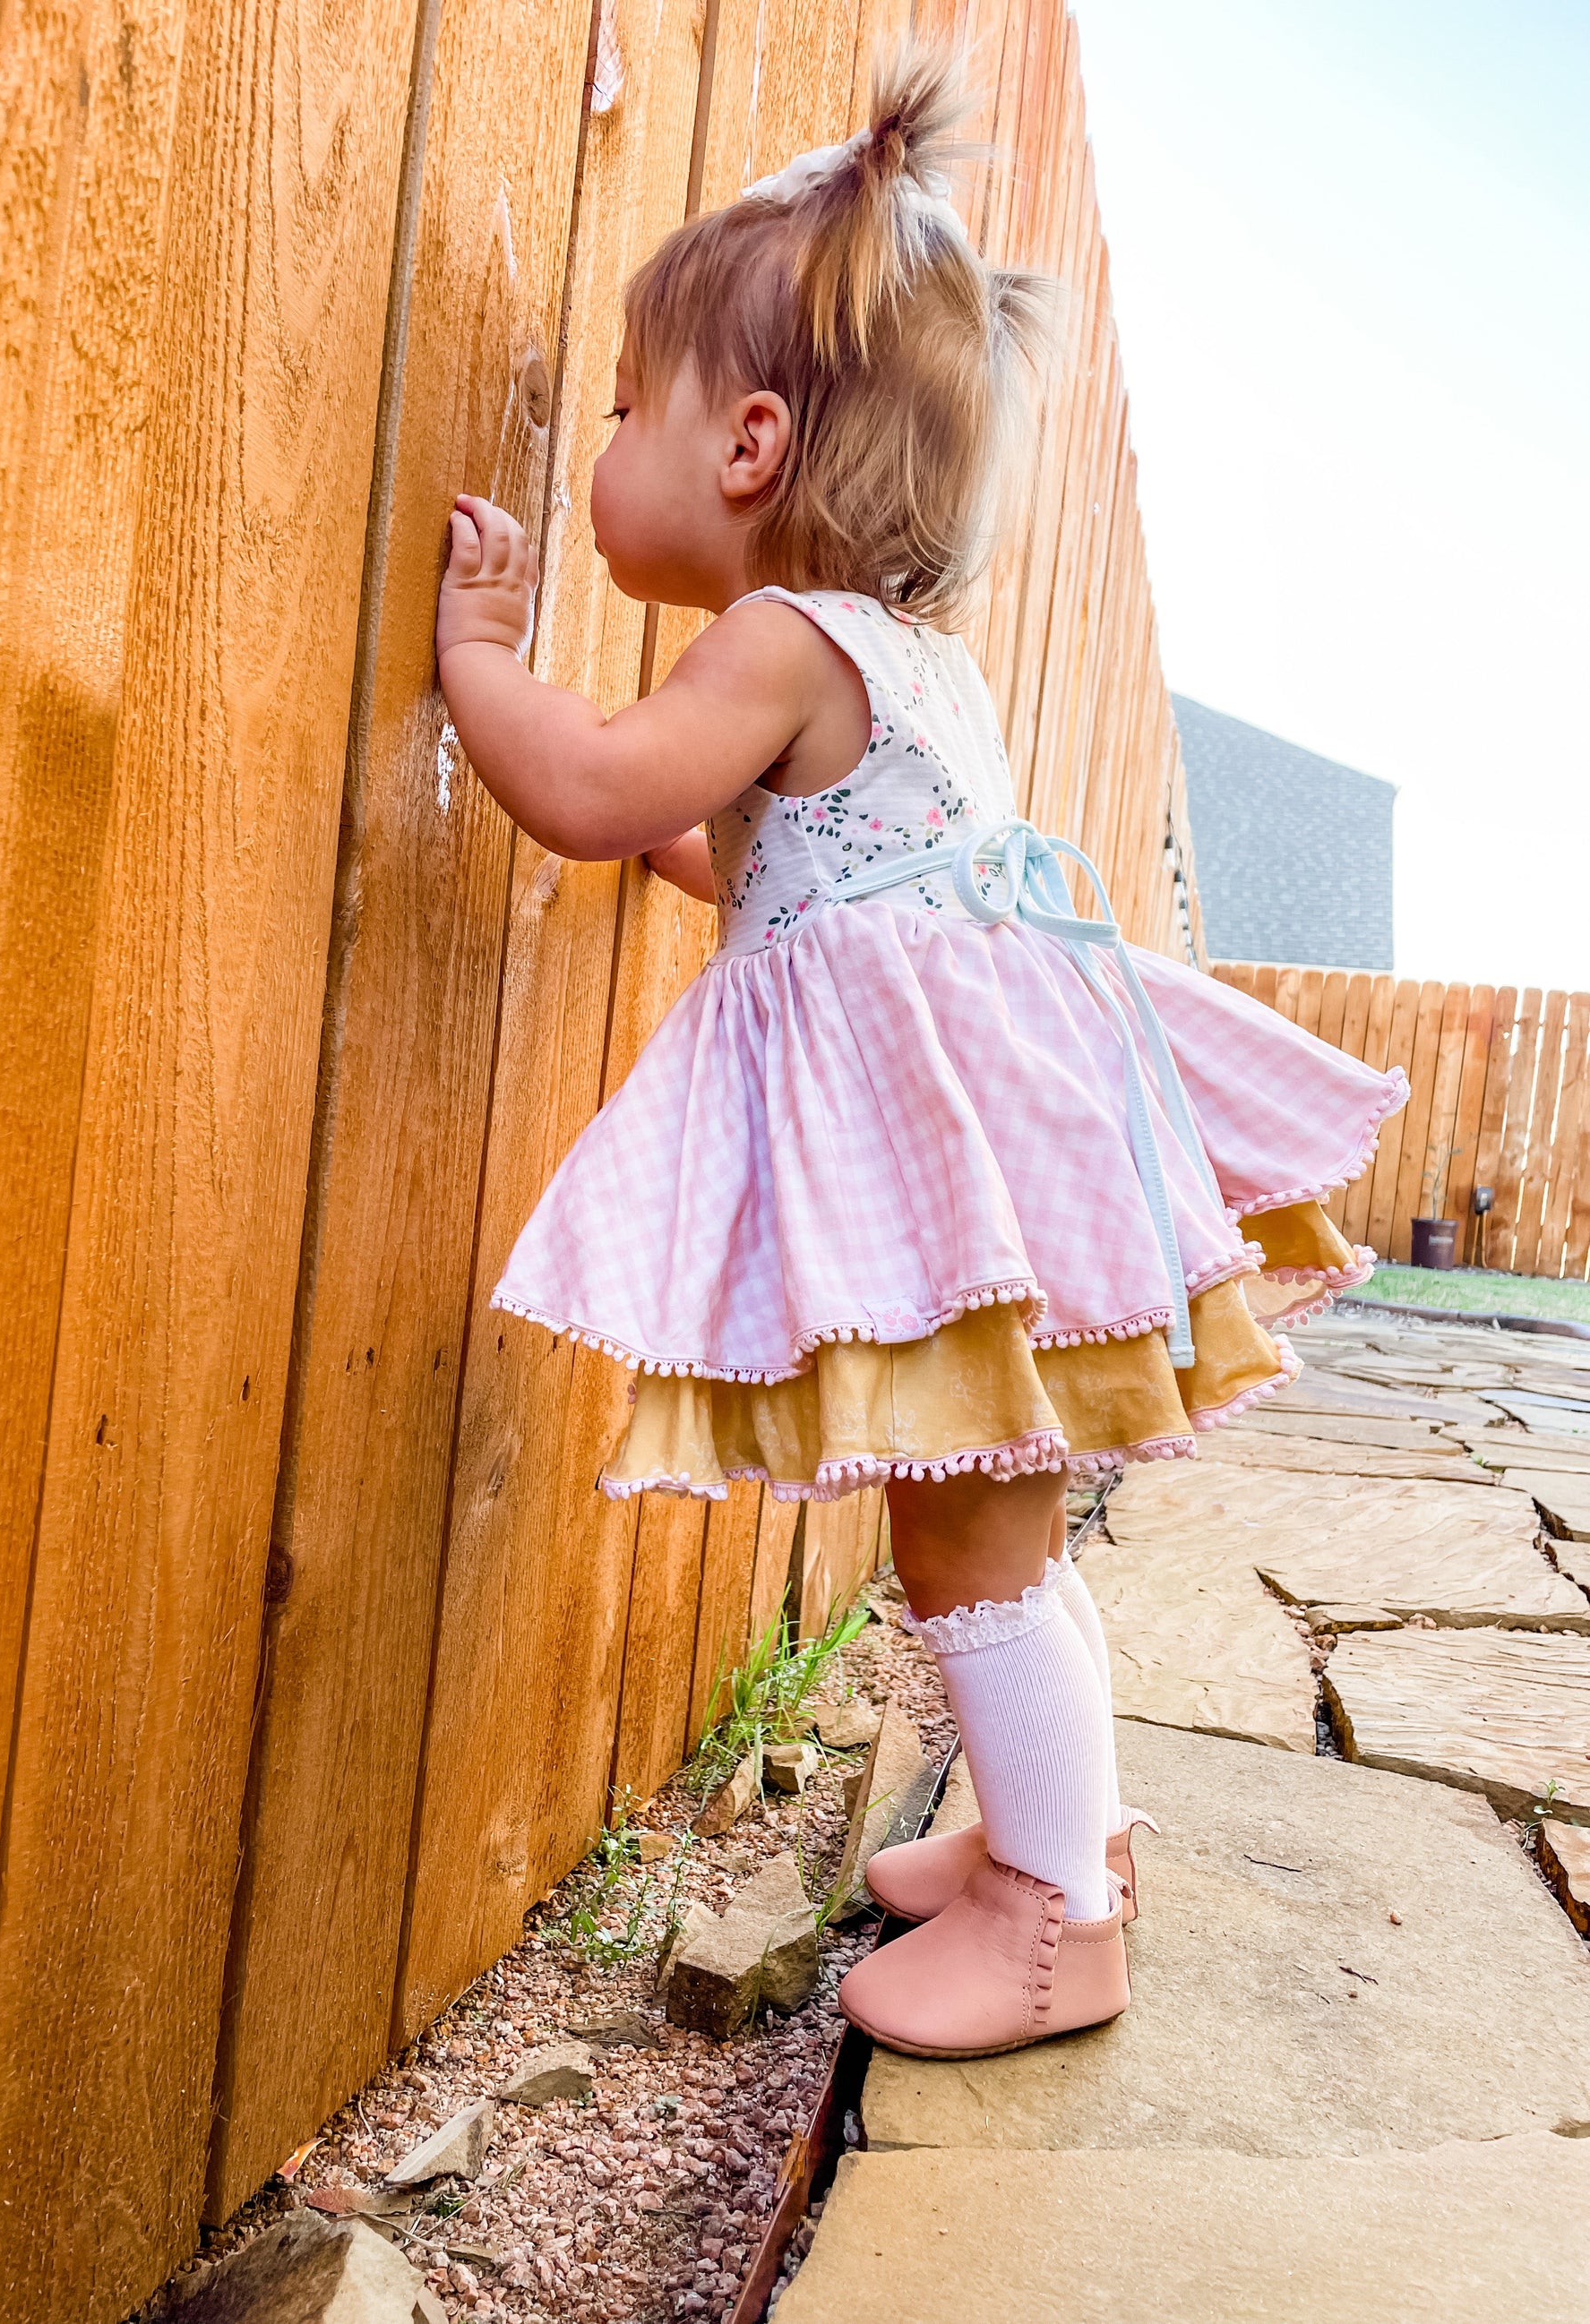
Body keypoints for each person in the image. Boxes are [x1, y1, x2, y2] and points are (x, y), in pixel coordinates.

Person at [434, 45, 1405, 2061]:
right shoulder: (914, 669)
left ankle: (1057, 1916)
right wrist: (706, 853)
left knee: (965, 1538)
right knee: (999, 1532)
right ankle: (1063, 1843)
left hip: (968, 1191)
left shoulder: (773, 647)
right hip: (1030, 1177)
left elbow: (612, 794)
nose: (606, 439)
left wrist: (480, 667)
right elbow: (792, 862)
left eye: (628, 407)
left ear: (749, 440)